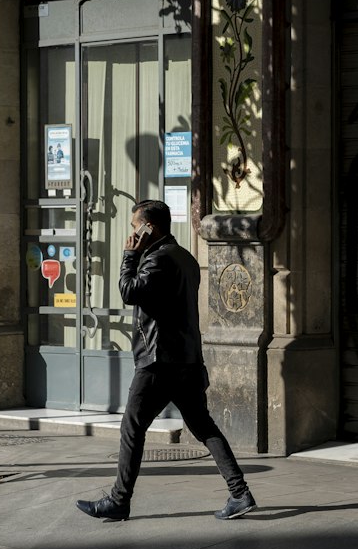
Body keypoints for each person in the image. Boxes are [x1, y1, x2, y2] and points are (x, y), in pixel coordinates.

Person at [76, 199, 256, 522]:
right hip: (186, 359)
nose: (132, 233)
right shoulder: (185, 259)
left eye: (136, 227)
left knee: (132, 427)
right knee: (203, 425)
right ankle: (239, 492)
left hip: (158, 361)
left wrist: (130, 256)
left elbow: (129, 291)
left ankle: (119, 500)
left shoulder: (156, 260)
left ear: (150, 228)